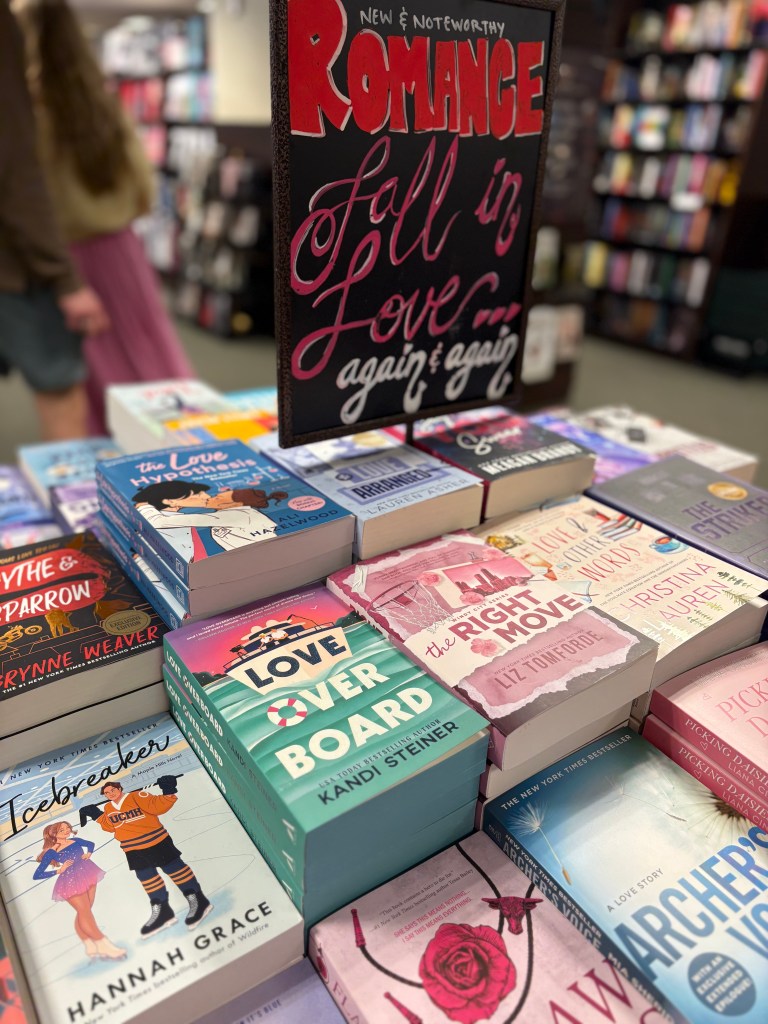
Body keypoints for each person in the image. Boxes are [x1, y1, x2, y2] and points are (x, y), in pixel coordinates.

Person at [16, 0, 194, 435]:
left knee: (90, 373)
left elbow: (26, 199)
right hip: (120, 249)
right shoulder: (101, 103)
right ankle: (187, 441)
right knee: (147, 350)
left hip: (64, 259)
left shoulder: (24, 112)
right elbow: (143, 189)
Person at [0, 0, 108, 440]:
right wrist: (64, 278)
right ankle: (74, 505)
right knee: (62, 393)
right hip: (17, 265)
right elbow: (14, 165)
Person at [79, 776, 212, 937]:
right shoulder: (108, 808)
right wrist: (96, 814)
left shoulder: (137, 796)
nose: (111, 793)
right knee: (146, 877)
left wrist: (168, 790)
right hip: (132, 848)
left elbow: (158, 807)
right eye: (107, 792)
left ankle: (198, 900)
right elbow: (110, 826)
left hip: (156, 841)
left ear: (119, 789)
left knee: (174, 868)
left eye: (113, 790)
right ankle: (163, 911)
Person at [32, 820, 125, 961]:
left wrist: (89, 853)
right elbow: (37, 874)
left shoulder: (75, 840)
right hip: (70, 881)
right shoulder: (52, 852)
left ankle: (89, 945)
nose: (67, 831)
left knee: (85, 911)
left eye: (67, 828)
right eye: (62, 830)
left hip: (88, 872)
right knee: (85, 912)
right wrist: (58, 871)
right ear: (54, 834)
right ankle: (103, 944)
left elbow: (90, 844)